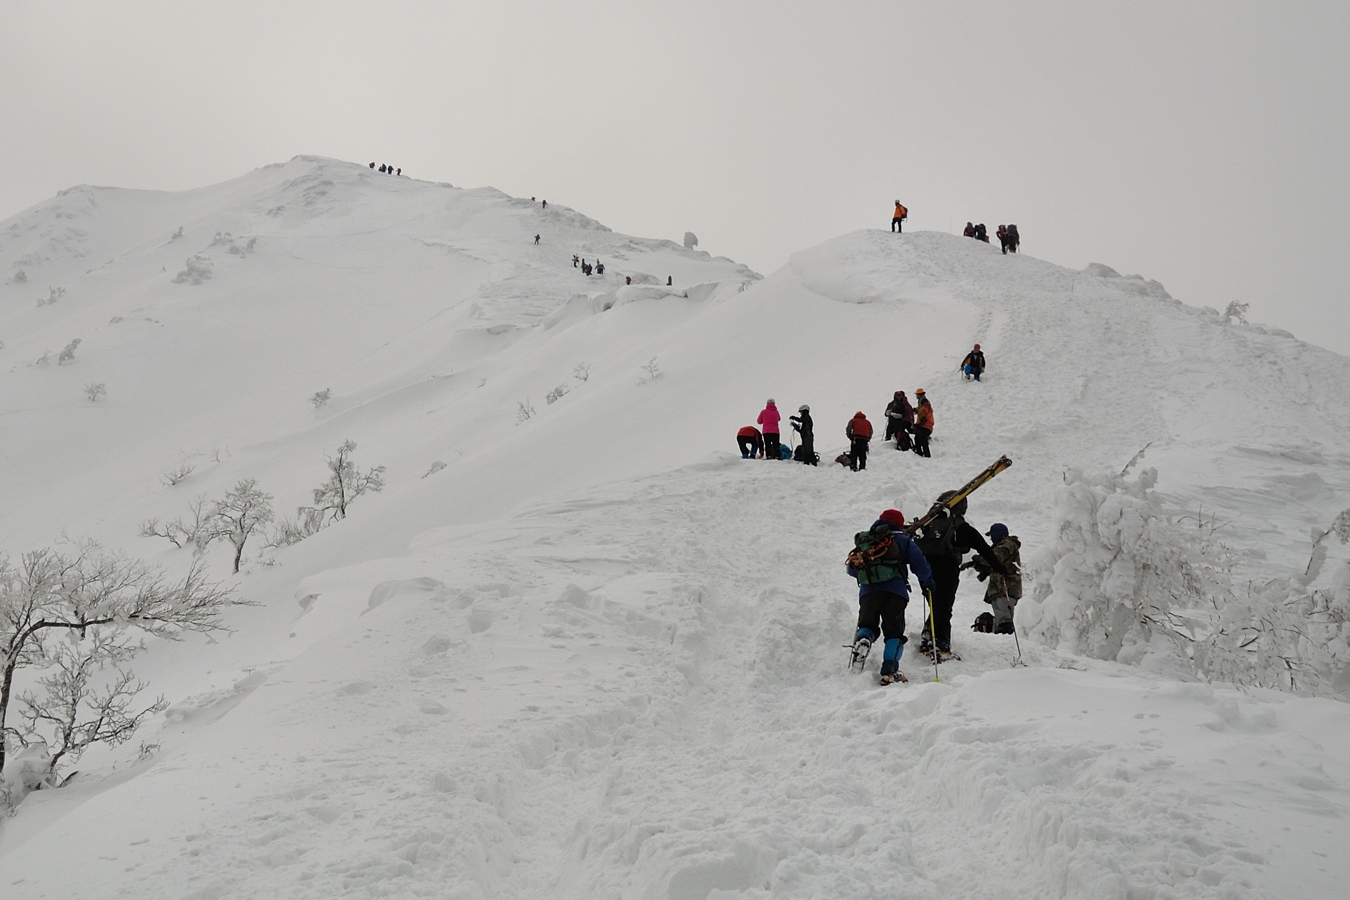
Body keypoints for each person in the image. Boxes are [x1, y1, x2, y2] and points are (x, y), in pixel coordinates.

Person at [914, 492, 1005, 660]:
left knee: (935, 603)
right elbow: (983, 548)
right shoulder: (960, 526)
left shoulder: (928, 524)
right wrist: (999, 568)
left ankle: (928, 634)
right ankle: (940, 643)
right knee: (944, 605)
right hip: (947, 568)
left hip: (924, 568)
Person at [847, 509, 934, 685]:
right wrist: (928, 582)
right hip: (895, 593)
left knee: (867, 624)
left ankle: (864, 640)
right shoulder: (903, 540)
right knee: (894, 632)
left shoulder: (867, 541)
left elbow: (851, 569)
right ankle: (890, 670)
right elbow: (920, 563)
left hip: (868, 592)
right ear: (899, 524)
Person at [968, 522, 1022, 634]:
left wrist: (976, 558)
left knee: (1004, 619)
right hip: (1000, 588)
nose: (991, 538)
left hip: (1005, 588)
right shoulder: (1004, 545)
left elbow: (994, 558)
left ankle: (1006, 638)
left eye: (992, 535)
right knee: (1001, 617)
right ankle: (1002, 636)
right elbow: (990, 565)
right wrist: (974, 564)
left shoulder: (1008, 544)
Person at [911, 389, 934, 458]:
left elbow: (922, 414)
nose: (916, 396)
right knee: (918, 438)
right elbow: (919, 410)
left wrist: (917, 424)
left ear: (919, 395)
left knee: (922, 440)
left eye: (917, 394)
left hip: (925, 425)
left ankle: (924, 455)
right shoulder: (923, 402)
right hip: (927, 425)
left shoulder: (924, 403)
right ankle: (921, 453)